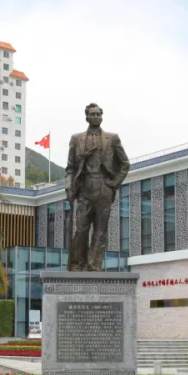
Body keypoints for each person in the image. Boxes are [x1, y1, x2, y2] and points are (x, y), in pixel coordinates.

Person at [64, 103, 130, 271]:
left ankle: (94, 266)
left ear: (101, 117)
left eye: (98, 114)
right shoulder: (76, 139)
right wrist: (69, 188)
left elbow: (125, 164)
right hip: (84, 187)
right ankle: (77, 265)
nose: (95, 117)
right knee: (81, 229)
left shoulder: (112, 138)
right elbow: (70, 168)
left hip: (104, 187)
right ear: (87, 117)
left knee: (100, 230)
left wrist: (115, 183)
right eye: (92, 114)